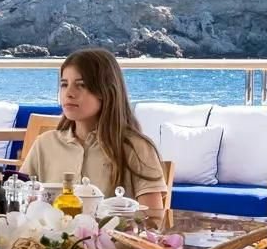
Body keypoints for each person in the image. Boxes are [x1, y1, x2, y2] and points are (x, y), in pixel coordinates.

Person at [18, 48, 169, 215]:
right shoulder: (44, 144)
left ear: (106, 91)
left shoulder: (137, 147)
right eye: (64, 84)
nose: (69, 93)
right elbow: (19, 206)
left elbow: (153, 220)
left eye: (81, 85)